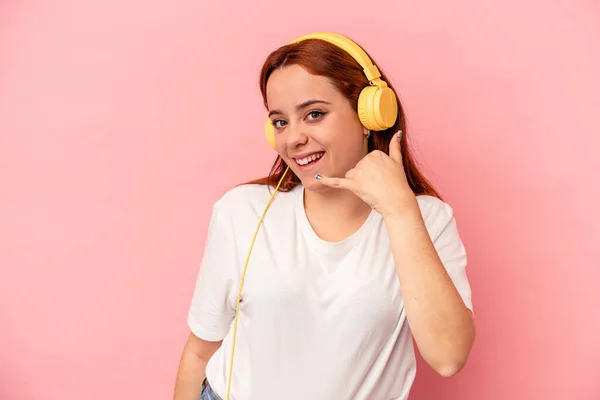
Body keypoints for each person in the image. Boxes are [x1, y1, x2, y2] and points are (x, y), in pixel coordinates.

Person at [173, 32, 475, 400]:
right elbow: (200, 349)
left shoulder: (425, 219)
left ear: (370, 115)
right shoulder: (241, 211)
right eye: (280, 121)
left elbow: (448, 357)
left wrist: (399, 210)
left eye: (314, 114)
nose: (292, 138)